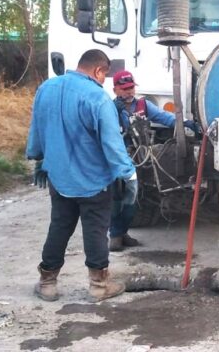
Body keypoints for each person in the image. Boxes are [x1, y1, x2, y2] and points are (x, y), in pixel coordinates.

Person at [26, 49, 137, 303]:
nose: (103, 81)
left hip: (59, 176)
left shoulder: (46, 88)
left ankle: (47, 283)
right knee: (96, 230)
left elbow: (37, 126)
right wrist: (128, 174)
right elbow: (112, 143)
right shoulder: (98, 98)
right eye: (104, 76)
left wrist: (38, 157)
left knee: (60, 226)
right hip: (94, 180)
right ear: (99, 71)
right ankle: (98, 286)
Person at [108, 70, 199, 251]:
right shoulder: (109, 108)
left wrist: (185, 123)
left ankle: (122, 232)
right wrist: (113, 113)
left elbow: (164, 118)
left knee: (135, 198)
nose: (129, 92)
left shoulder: (143, 105)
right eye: (124, 89)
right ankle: (115, 235)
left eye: (131, 88)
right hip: (118, 159)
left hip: (141, 157)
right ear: (115, 89)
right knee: (117, 197)